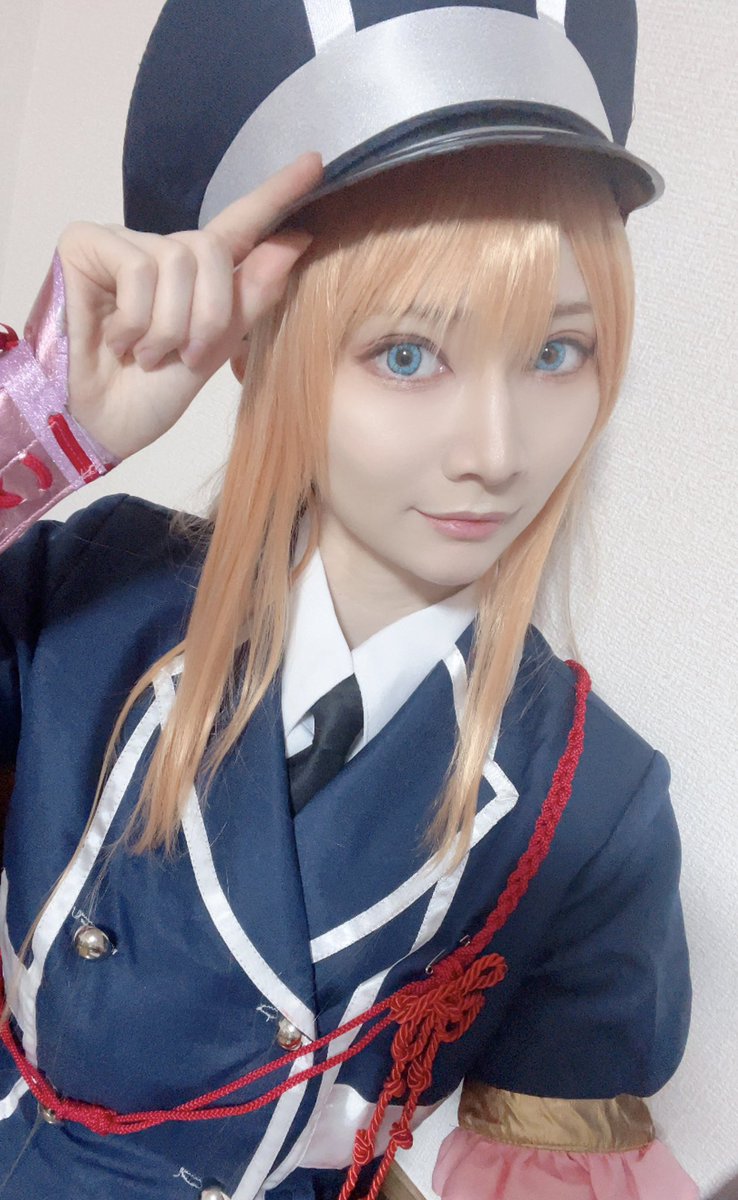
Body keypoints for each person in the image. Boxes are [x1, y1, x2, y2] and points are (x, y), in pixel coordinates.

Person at [0, 2, 697, 1198]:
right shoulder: (86, 597)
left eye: (556, 352)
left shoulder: (594, 802)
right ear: (259, 341)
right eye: (408, 355)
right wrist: (38, 423)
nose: (495, 451)